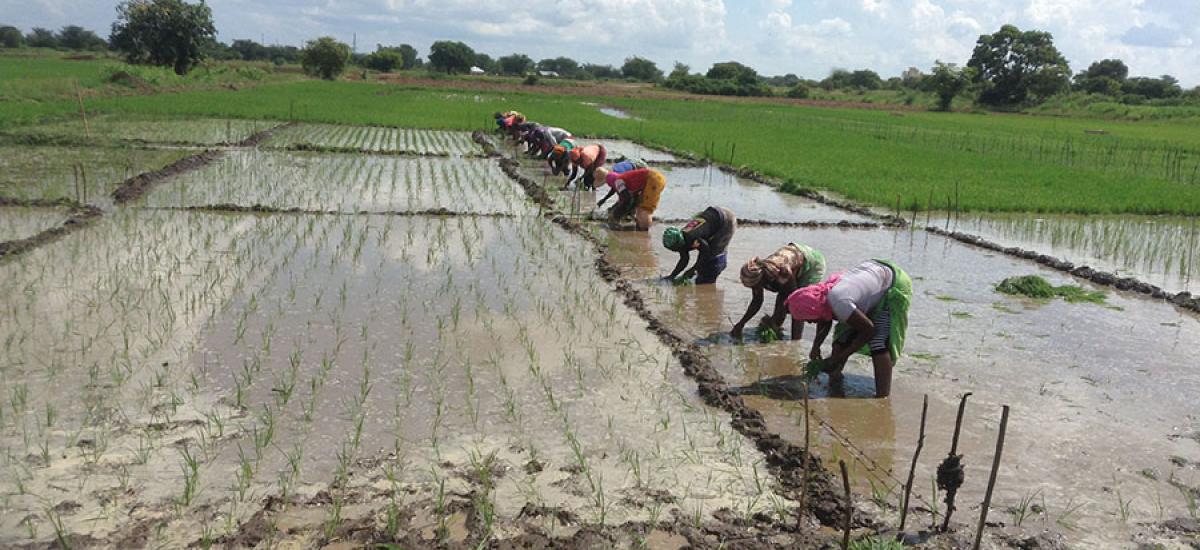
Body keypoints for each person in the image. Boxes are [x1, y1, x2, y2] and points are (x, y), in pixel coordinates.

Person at [784, 259, 912, 398]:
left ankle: (882, 397)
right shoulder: (823, 299)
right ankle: (835, 383)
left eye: (808, 319)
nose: (809, 322)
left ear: (813, 310)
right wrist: (816, 347)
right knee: (841, 340)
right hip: (873, 277)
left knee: (878, 343)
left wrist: (840, 357)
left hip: (892, 282)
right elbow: (824, 319)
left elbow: (869, 330)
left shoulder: (839, 301)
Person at [732, 243, 827, 340]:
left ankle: (796, 340)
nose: (755, 288)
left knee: (798, 304)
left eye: (755, 286)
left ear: (762, 279)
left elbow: (796, 302)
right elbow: (757, 301)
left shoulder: (783, 272)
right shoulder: (758, 273)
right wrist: (741, 323)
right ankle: (776, 328)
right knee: (781, 304)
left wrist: (793, 346)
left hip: (813, 263)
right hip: (794, 258)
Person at [662, 206, 737, 284]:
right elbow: (684, 259)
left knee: (712, 258)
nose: (675, 251)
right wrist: (672, 276)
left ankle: (711, 279)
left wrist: (693, 269)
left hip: (726, 221)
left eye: (674, 249)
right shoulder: (682, 238)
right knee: (703, 266)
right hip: (713, 214)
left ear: (678, 245)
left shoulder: (693, 238)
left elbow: (705, 253)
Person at [604, 167, 666, 231]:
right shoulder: (626, 179)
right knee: (641, 205)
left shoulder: (618, 181)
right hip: (657, 179)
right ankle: (641, 228)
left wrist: (616, 215)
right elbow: (630, 199)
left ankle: (643, 231)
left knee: (645, 208)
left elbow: (626, 199)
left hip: (653, 179)